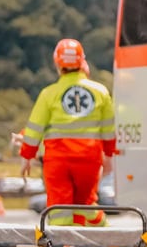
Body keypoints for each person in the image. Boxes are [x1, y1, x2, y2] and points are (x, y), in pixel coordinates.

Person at [19, 39, 115, 226]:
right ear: (82, 62)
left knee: (60, 207)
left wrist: (26, 156)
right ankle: (103, 237)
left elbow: (34, 130)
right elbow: (109, 129)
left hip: (58, 161)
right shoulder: (100, 92)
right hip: (89, 159)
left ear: (57, 63)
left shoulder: (49, 94)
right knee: (86, 204)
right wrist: (109, 155)